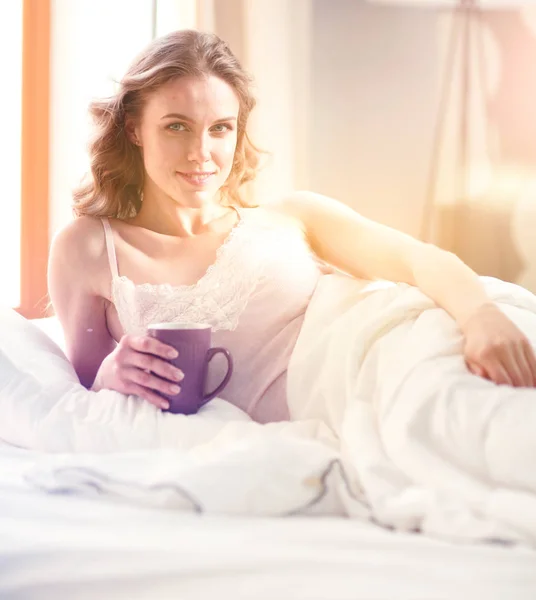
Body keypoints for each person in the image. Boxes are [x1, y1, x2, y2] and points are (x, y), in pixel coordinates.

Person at [48, 29, 536, 425]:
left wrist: (481, 317)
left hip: (405, 364)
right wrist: (113, 373)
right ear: (134, 128)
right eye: (177, 126)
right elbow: (86, 390)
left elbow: (419, 260)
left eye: (220, 127)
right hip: (350, 424)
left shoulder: (293, 217)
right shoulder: (89, 248)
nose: (202, 152)